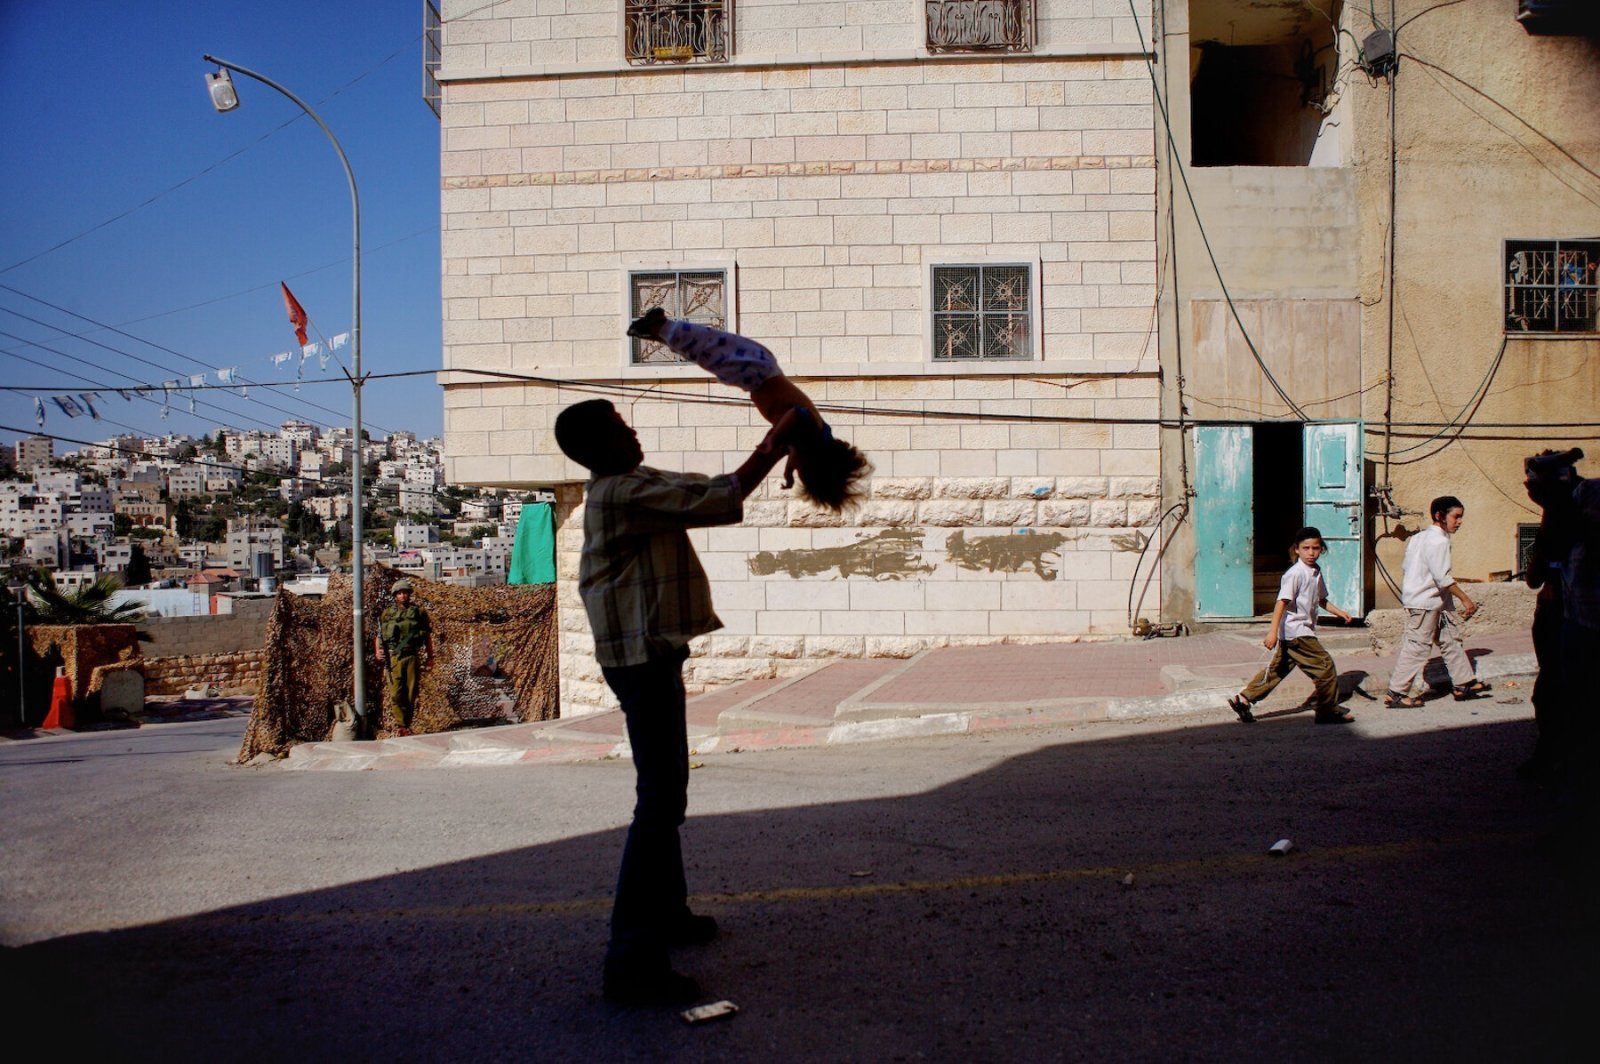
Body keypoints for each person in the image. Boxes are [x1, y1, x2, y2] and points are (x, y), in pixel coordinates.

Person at [554, 396, 801, 1007]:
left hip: (649, 652)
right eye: (617, 428)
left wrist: (772, 450)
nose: (630, 430)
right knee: (659, 801)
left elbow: (707, 487)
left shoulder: (636, 480)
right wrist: (774, 444)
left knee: (667, 794)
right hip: (638, 658)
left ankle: (668, 914)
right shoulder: (616, 493)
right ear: (597, 449)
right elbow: (720, 501)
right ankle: (631, 961)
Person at [627, 308, 871, 511]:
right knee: (709, 350)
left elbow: (794, 453)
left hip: (755, 376)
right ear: (818, 463)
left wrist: (787, 473)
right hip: (758, 373)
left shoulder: (810, 443)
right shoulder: (811, 434)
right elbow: (797, 414)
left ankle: (660, 332)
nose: (796, 468)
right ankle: (662, 326)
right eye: (801, 471)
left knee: (707, 355)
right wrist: (773, 438)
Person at [1226, 526, 1355, 725]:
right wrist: (1272, 633)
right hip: (1297, 632)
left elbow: (1321, 600)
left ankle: (1244, 699)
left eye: (1316, 548)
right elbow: (1281, 603)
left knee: (1278, 670)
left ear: (1322, 549)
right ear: (1296, 549)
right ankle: (1327, 710)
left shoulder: (1315, 571)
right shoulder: (1295, 574)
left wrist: (1340, 613)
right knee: (1326, 667)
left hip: (1296, 633)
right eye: (1306, 548)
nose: (1311, 553)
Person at [1384, 495, 1490, 707]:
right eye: (1455, 517)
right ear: (1439, 516)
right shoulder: (1439, 540)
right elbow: (1442, 577)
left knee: (1450, 639)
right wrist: (1466, 600)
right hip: (1426, 603)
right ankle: (1396, 691)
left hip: (1428, 601)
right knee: (1417, 646)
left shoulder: (1418, 537)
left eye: (1461, 517)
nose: (1459, 522)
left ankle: (1463, 683)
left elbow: (1407, 567)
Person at [1520, 450, 1581, 780]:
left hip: (1564, 616)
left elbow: (1534, 577)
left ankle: (1555, 759)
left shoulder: (1561, 516)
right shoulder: (1578, 506)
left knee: (1554, 690)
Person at [374, 578, 433, 737]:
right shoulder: (387, 614)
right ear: (395, 595)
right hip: (394, 657)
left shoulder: (419, 612)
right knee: (395, 693)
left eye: (405, 593)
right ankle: (401, 725)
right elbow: (379, 635)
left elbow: (427, 636)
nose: (403, 596)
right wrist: (377, 651)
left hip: (412, 656)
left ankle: (406, 724)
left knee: (411, 693)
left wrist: (430, 656)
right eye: (400, 593)